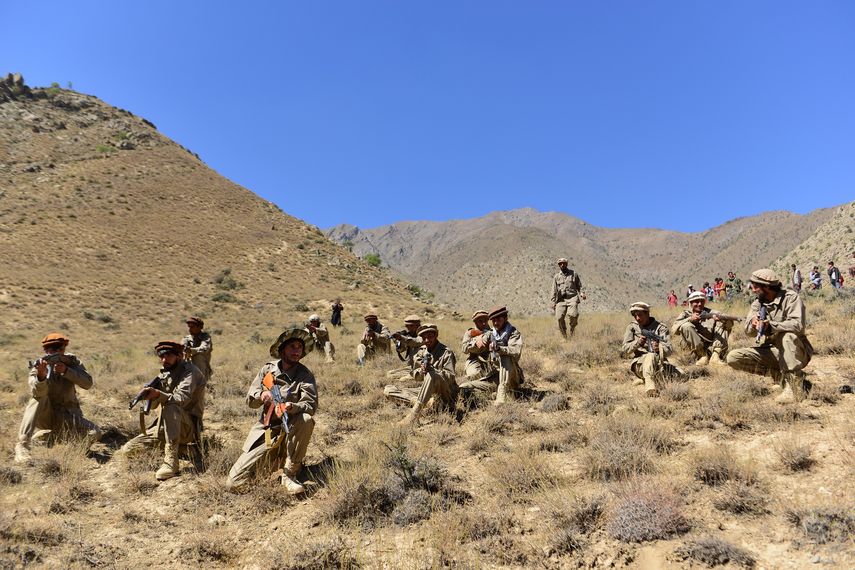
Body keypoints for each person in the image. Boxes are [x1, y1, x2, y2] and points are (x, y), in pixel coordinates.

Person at [226, 328, 317, 494]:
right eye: (292, 347)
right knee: (233, 483)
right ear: (282, 351)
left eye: (299, 347)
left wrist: (291, 407)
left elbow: (310, 405)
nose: (297, 350)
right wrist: (262, 395)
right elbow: (250, 401)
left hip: (291, 429)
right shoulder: (267, 370)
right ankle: (273, 466)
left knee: (305, 419)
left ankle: (290, 473)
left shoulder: (305, 375)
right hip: (268, 430)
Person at [119, 341, 206, 480]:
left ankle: (171, 461)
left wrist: (159, 395)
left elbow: (180, 398)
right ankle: (186, 450)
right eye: (162, 356)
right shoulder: (165, 373)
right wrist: (150, 396)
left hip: (188, 428)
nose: (164, 360)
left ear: (179, 356)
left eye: (168, 356)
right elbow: (153, 407)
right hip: (166, 426)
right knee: (128, 449)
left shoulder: (190, 372)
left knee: (171, 405)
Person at [726, 269, 814, 404]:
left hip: (796, 351)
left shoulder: (790, 298)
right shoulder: (757, 303)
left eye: (755, 286)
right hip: (773, 351)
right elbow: (747, 331)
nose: (753, 289)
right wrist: (754, 324)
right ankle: (780, 376)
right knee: (733, 357)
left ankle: (795, 387)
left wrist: (771, 326)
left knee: (787, 336)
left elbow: (798, 325)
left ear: (766, 287)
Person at [15, 333, 101, 464]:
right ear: (45, 350)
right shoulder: (39, 366)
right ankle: (22, 445)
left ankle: (55, 438)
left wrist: (67, 370)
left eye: (57, 348)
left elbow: (87, 384)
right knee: (38, 397)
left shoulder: (73, 362)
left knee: (95, 433)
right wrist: (41, 377)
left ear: (63, 349)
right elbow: (36, 391)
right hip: (47, 416)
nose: (53, 351)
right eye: (49, 348)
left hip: (69, 416)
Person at [384, 324, 457, 426]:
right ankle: (427, 402)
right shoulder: (421, 351)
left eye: (430, 336)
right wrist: (421, 371)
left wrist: (432, 370)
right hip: (427, 390)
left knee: (432, 375)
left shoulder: (446, 352)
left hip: (445, 392)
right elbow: (415, 376)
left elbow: (450, 377)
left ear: (436, 335)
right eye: (424, 338)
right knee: (389, 390)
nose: (427, 340)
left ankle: (414, 414)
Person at [621, 302, 679, 397]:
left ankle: (644, 379)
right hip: (640, 364)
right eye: (635, 316)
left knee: (682, 375)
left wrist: (659, 348)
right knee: (650, 355)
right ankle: (650, 388)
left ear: (647, 313)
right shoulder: (632, 327)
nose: (637, 318)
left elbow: (669, 349)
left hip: (660, 363)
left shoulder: (661, 328)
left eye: (640, 315)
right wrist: (637, 343)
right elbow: (625, 349)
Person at [671, 291, 734, 366]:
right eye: (696, 302)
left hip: (711, 347)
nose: (700, 304)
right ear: (690, 303)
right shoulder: (685, 314)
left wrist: (723, 319)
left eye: (702, 301)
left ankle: (715, 357)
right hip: (693, 350)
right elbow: (674, 329)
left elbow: (730, 324)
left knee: (723, 323)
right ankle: (702, 356)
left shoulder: (711, 312)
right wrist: (690, 319)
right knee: (686, 326)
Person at [481, 306, 523, 404]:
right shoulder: (491, 333)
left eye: (499, 320)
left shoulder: (513, 333)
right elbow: (471, 348)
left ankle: (503, 393)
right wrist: (477, 342)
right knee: (469, 387)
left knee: (505, 356)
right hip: (495, 375)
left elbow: (515, 351)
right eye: (493, 321)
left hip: (511, 376)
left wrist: (499, 349)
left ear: (505, 318)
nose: (496, 323)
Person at [550, 258, 586, 340]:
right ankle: (564, 336)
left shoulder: (573, 274)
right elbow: (554, 290)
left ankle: (572, 330)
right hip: (561, 300)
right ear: (559, 265)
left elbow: (579, 286)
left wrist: (582, 293)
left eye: (564, 263)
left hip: (572, 298)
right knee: (559, 318)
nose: (562, 265)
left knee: (573, 315)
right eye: (560, 264)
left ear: (567, 264)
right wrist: (553, 302)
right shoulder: (556, 277)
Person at [459, 310, 492, 381]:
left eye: (485, 320)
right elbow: (464, 349)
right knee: (474, 376)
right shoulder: (470, 333)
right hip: (474, 359)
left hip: (490, 360)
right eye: (480, 321)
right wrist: (475, 343)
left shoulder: (493, 332)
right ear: (475, 322)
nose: (483, 323)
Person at [182, 316, 213, 383]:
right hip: (188, 368)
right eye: (189, 327)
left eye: (192, 327)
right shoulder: (187, 338)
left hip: (203, 369)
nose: (190, 329)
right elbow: (181, 348)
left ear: (199, 327)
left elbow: (204, 348)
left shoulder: (205, 337)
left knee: (198, 356)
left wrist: (192, 351)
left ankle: (201, 382)